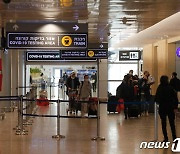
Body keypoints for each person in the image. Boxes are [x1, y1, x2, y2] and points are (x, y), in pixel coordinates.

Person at [155, 75, 178, 142]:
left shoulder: (159, 88)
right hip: (170, 107)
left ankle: (166, 138)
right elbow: (175, 98)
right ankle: (174, 138)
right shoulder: (170, 88)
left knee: (163, 123)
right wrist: (175, 107)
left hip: (162, 108)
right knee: (172, 124)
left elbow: (156, 99)